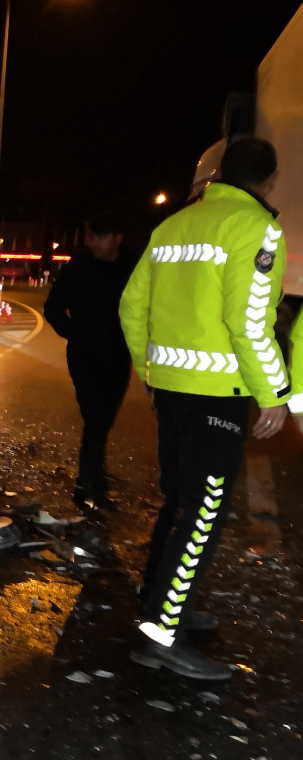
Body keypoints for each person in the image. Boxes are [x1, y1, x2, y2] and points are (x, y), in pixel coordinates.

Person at [119, 137, 288, 681]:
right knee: (203, 512)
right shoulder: (256, 228)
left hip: (170, 391)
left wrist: (149, 373)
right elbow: (248, 321)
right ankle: (159, 634)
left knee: (180, 501)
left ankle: (164, 604)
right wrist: (274, 394)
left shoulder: (172, 227)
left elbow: (131, 305)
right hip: (220, 396)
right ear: (268, 180)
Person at [43, 212, 137, 512]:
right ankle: (90, 487)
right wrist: (77, 333)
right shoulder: (79, 266)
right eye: (90, 236)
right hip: (84, 356)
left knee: (104, 420)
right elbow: (54, 307)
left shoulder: (134, 265)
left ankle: (90, 481)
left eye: (99, 236)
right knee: (95, 418)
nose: (92, 242)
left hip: (119, 356)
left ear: (117, 238)